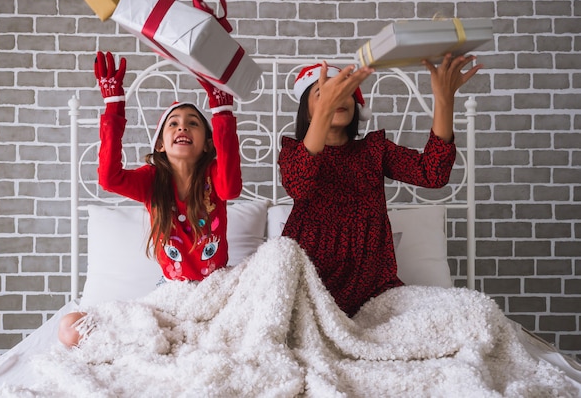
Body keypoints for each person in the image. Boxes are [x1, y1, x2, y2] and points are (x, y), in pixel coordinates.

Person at [58, 51, 242, 346]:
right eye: (174, 123)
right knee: (70, 327)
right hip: (172, 294)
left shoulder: (215, 175)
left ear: (208, 144)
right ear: (160, 144)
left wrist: (221, 110)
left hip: (218, 292)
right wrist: (114, 106)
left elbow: (231, 189)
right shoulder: (151, 180)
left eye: (193, 123)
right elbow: (109, 178)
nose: (183, 127)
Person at [278, 54, 483, 317]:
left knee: (456, 314)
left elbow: (433, 173)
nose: (338, 98)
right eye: (325, 93)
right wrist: (325, 112)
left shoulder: (374, 150)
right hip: (306, 284)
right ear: (306, 111)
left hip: (371, 287)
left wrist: (444, 99)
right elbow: (298, 185)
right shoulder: (293, 152)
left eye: (345, 92)